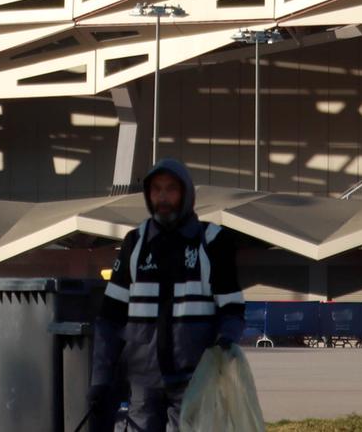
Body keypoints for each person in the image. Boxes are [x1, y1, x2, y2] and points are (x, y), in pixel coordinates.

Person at [89, 159, 245, 431]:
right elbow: (110, 318)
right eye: (156, 189)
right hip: (142, 384)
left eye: (171, 189)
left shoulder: (213, 242)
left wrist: (223, 345)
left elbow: (232, 310)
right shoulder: (135, 243)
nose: (163, 197)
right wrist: (100, 381)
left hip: (194, 383)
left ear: (186, 194)